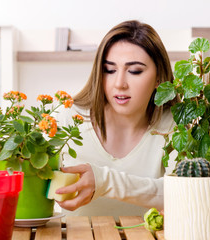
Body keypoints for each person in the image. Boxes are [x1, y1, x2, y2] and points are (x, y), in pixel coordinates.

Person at [55, 20, 177, 219]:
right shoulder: (68, 117)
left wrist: (104, 181)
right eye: (109, 70)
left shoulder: (175, 126)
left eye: (135, 71)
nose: (119, 84)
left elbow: (183, 191)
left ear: (159, 78)